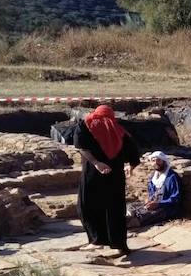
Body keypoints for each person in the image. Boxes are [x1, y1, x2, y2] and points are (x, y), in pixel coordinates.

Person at [74, 105, 140, 255]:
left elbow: (81, 147)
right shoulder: (118, 130)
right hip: (115, 175)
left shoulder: (85, 124)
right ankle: (119, 245)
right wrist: (131, 166)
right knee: (115, 209)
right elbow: (133, 151)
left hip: (93, 173)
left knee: (87, 205)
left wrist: (97, 163)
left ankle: (96, 239)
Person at [126, 151, 181, 229]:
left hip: (167, 208)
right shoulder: (153, 177)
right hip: (154, 204)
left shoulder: (172, 177)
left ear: (164, 161)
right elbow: (152, 194)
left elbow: (176, 198)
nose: (156, 163)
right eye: (153, 160)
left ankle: (131, 221)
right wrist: (148, 200)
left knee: (144, 215)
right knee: (131, 206)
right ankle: (129, 217)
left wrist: (158, 204)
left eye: (158, 160)